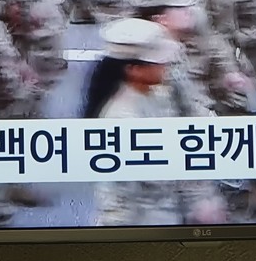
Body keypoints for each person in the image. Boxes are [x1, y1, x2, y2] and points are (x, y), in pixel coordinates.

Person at [84, 17, 226, 226]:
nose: (165, 65)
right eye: (158, 61)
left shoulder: (158, 93)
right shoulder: (122, 121)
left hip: (171, 208)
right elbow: (118, 199)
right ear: (133, 69)